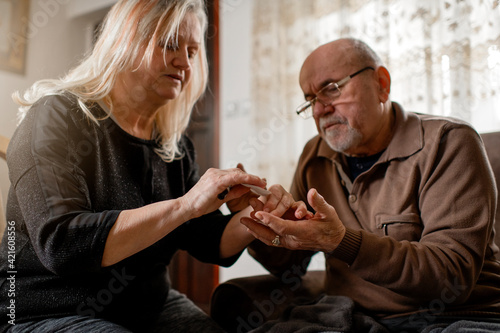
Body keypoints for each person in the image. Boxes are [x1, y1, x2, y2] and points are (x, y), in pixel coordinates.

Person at [0, 1, 309, 332]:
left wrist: (259, 215)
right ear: (126, 41)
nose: (184, 62)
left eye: (192, 51)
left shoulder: (175, 149)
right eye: (170, 44)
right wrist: (185, 205)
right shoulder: (56, 117)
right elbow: (62, 246)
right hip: (42, 312)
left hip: (148, 307)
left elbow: (208, 239)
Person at [242, 38, 500, 332]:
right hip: (349, 318)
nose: (318, 110)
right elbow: (288, 266)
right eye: (310, 100)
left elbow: (451, 278)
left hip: (451, 317)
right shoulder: (315, 156)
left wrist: (341, 242)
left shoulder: (449, 142)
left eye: (330, 89)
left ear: (381, 84)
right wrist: (262, 221)